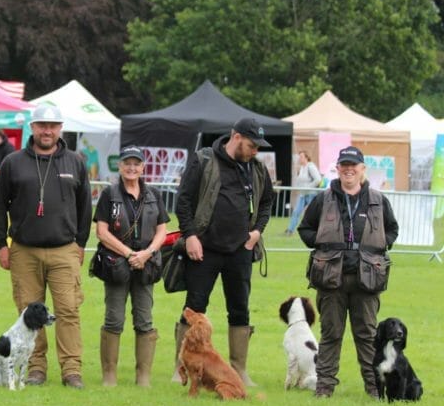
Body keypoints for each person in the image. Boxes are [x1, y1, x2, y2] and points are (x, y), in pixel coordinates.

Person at [0, 104, 92, 389]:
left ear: (61, 128)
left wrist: (81, 243)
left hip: (64, 249)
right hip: (24, 249)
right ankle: (36, 368)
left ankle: (71, 369)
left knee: (68, 309)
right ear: (32, 128)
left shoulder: (75, 162)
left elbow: (86, 206)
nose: (47, 130)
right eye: (42, 125)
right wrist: (1, 244)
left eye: (53, 125)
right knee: (28, 312)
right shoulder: (13, 162)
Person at [173, 117, 274, 386]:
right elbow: (182, 201)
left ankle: (238, 368)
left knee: (240, 309)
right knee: (193, 307)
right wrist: (191, 235)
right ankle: (181, 367)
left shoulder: (257, 169)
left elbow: (266, 204)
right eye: (252, 145)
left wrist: (257, 232)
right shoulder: (204, 160)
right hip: (204, 248)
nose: (255, 152)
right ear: (236, 136)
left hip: (241, 249)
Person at [298, 146, 398, 399]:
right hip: (331, 278)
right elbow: (305, 229)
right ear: (338, 169)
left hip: (368, 279)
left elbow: (392, 230)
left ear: (363, 169)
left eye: (354, 165)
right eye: (344, 165)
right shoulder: (323, 199)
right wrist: (322, 245)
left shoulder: (378, 200)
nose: (349, 169)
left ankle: (374, 387)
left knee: (367, 336)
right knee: (331, 334)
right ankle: (325, 387)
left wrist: (375, 248)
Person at [94, 145, 169, 387]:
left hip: (146, 265)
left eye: (136, 163)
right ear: (120, 165)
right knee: (114, 319)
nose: (132, 167)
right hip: (117, 263)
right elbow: (101, 232)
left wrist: (147, 254)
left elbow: (162, 231)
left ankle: (143, 377)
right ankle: (109, 376)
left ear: (143, 167)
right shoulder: (109, 194)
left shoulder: (153, 195)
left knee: (144, 320)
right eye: (127, 163)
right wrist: (129, 254)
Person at [285, 151, 322, 235]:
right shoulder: (301, 168)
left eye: (301, 157)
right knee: (296, 212)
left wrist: (308, 187)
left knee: (314, 213)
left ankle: (320, 230)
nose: (299, 159)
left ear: (306, 158)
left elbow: (318, 179)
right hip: (303, 194)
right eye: (299, 157)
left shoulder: (311, 167)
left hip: (311, 194)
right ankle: (290, 230)